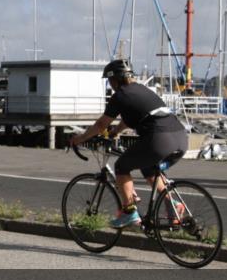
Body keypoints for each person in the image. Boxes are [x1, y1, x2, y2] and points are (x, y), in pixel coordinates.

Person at [70, 59, 188, 227]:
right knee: (148, 167)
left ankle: (129, 212)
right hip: (180, 138)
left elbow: (100, 124)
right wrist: (115, 132)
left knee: (121, 167)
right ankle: (173, 205)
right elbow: (129, 118)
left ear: (115, 79)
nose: (110, 85)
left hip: (159, 139)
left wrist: (80, 139)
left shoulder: (120, 95)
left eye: (110, 81)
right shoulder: (142, 90)